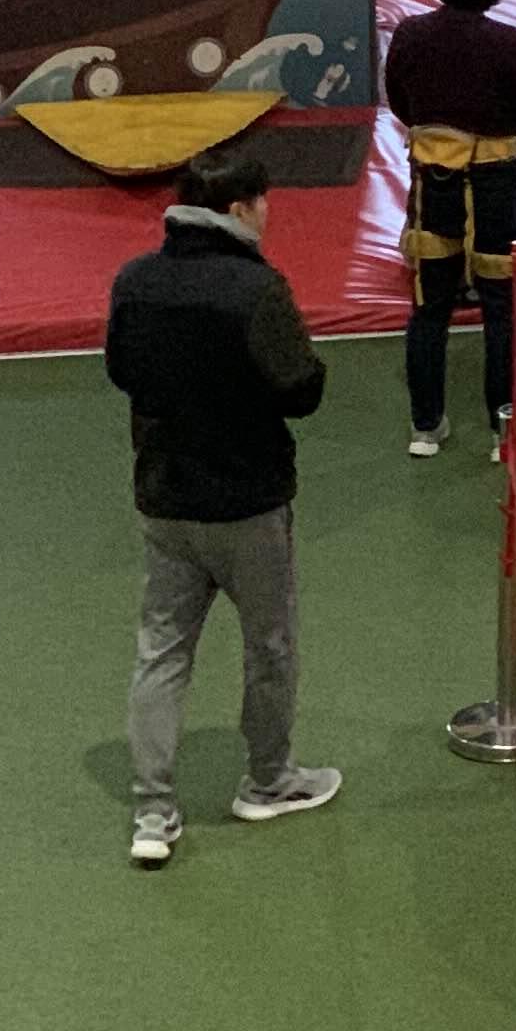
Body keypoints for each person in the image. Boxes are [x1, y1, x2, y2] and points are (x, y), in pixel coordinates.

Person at [104, 144, 337, 869]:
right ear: (239, 208)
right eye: (264, 203)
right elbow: (301, 390)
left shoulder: (135, 281)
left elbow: (121, 370)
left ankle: (152, 811)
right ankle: (268, 781)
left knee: (162, 650)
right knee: (269, 646)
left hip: (166, 498)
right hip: (248, 504)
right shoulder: (257, 289)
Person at [383, 0, 516, 458]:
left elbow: (400, 103)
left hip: (433, 186)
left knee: (428, 306)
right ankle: (507, 430)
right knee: (503, 307)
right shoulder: (507, 43)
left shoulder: (410, 35)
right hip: (498, 188)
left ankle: (425, 426)